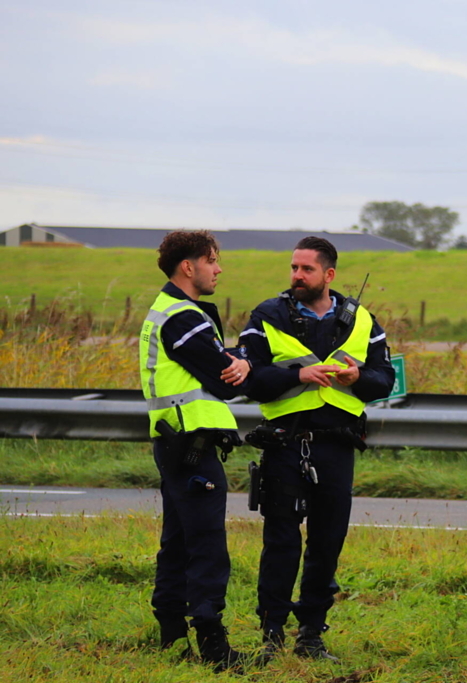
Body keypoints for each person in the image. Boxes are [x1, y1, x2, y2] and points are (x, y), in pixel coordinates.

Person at [240, 236, 394, 662]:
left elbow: (386, 381)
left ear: (329, 275)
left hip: (337, 448)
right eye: (293, 268)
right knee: (282, 543)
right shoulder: (267, 315)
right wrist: (299, 375)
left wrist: (355, 379)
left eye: (306, 269)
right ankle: (270, 635)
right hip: (285, 445)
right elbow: (248, 380)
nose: (296, 276)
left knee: (327, 543)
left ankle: (310, 635)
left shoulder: (361, 319)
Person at [140, 229, 250, 671]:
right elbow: (224, 375)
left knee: (179, 539)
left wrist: (234, 355)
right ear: (189, 266)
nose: (218, 268)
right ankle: (213, 646)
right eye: (212, 260)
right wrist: (242, 361)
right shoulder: (182, 317)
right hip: (190, 444)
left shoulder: (172, 310)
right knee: (206, 544)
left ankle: (170, 633)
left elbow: (215, 363)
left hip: (176, 440)